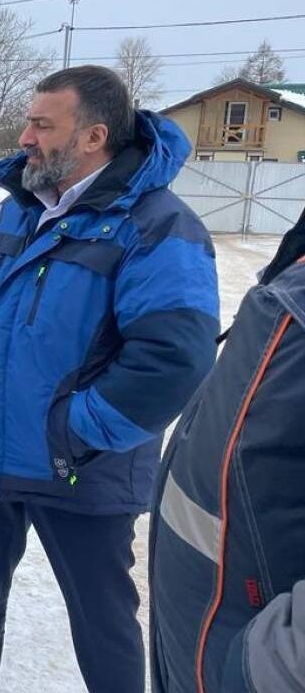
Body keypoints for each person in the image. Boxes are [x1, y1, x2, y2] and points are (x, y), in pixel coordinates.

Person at [0, 65, 219, 692]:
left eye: (42, 124)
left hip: (81, 468)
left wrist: (73, 431)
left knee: (103, 623)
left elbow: (176, 356)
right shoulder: (11, 213)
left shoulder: (156, 225)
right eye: (28, 123)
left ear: (93, 136)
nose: (24, 138)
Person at [149, 206, 305, 692]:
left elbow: (169, 355)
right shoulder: (293, 272)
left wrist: (271, 669)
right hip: (197, 649)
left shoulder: (162, 224)